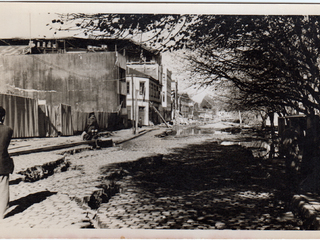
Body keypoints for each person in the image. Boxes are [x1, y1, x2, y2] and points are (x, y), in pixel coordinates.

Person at [0, 106, 14, 219]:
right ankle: (1, 214)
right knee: (3, 188)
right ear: (3, 117)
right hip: (3, 163)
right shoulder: (8, 130)